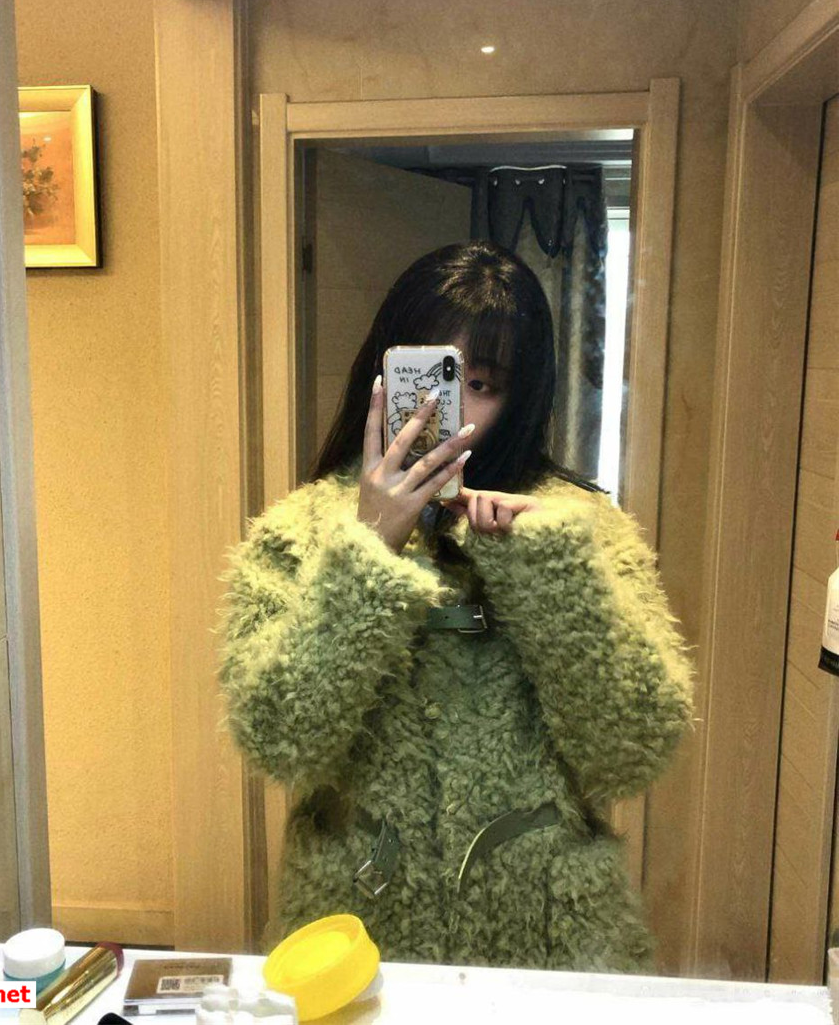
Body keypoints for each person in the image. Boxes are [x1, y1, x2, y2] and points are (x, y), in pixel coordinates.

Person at [217, 240, 693, 973]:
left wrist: (548, 571)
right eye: (430, 374)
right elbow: (279, 740)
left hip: (551, 929)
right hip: (360, 923)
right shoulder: (300, 531)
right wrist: (367, 551)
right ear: (382, 372)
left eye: (480, 382)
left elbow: (633, 750)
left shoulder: (583, 530)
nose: (444, 409)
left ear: (520, 395)